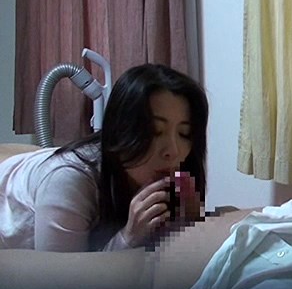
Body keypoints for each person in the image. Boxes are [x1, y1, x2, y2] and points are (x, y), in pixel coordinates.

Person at [0, 63, 208, 251]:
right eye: (154, 131)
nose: (173, 151)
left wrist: (190, 224)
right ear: (121, 131)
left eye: (185, 134)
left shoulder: (171, 177)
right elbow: (60, 277)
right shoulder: (67, 179)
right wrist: (128, 238)